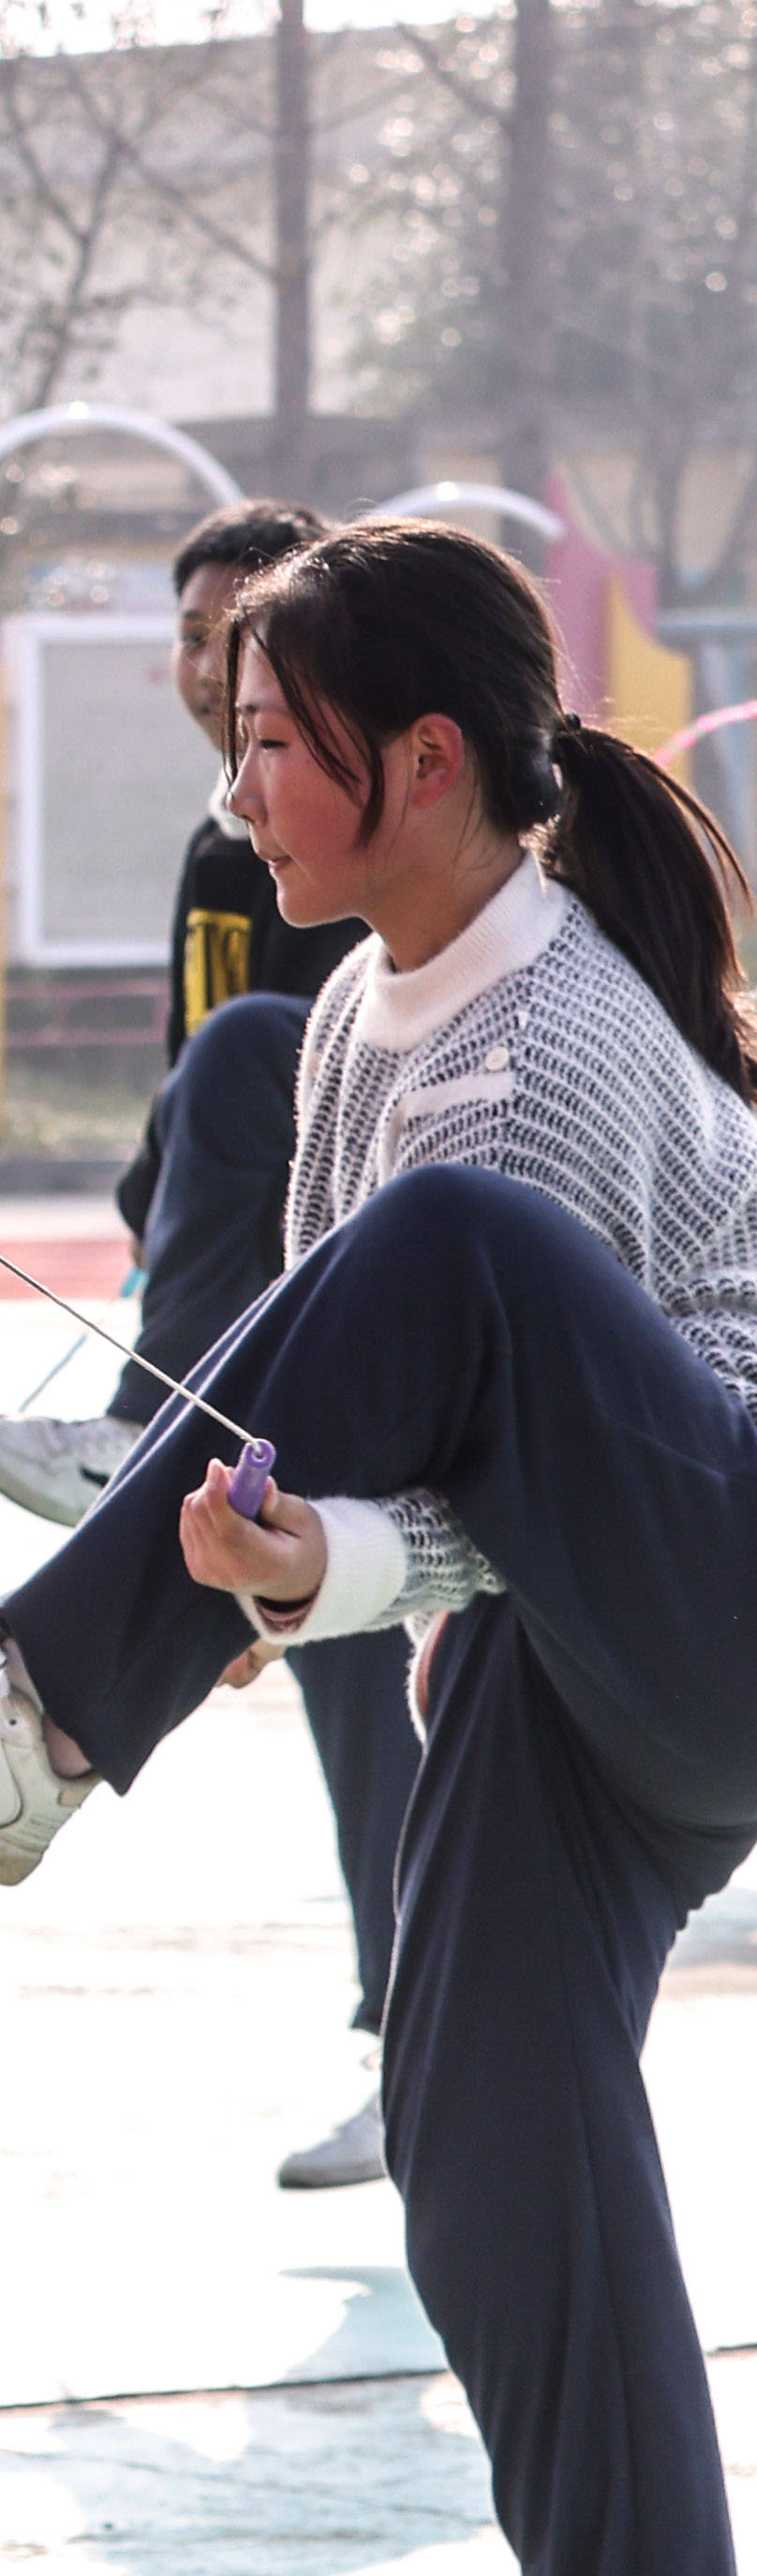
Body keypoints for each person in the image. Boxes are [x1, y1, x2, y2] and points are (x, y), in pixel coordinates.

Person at [0, 515, 757, 2576]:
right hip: (548, 1639)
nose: (242, 786)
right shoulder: (348, 1031)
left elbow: (483, 1356)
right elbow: (416, 1479)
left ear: (419, 758)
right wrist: (296, 1549)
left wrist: (312, 1535)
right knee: (482, 2131)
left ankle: (37, 1715)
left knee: (438, 1255)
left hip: (744, 1594)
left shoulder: (554, 1028)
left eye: (270, 741)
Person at [0, 497, 408, 2192]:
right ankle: (417, 2037)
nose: (204, 676)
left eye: (239, 647)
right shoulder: (216, 846)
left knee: (408, 1671)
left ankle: (442, 2041)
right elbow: (192, 1115)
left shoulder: (415, 855)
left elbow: (258, 1067)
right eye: (189, 642)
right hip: (263, 1322)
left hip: (380, 1298)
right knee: (340, 1664)